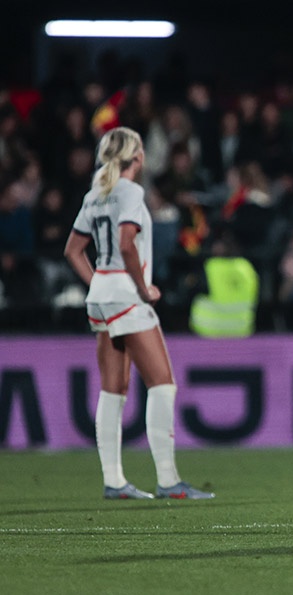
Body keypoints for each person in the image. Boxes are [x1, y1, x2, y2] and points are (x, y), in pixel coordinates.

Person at [63, 126, 215, 500]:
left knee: (113, 389)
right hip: (127, 296)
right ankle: (168, 480)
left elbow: (72, 251)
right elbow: (127, 243)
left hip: (102, 295)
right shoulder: (131, 192)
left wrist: (100, 282)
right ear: (138, 157)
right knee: (162, 383)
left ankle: (114, 481)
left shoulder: (95, 193)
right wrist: (142, 288)